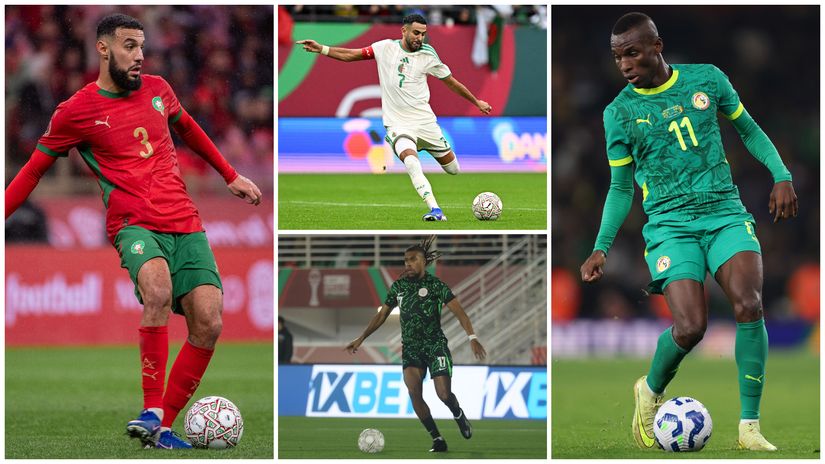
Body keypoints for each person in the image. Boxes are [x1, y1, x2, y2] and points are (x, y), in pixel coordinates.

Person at [5, 14, 263, 449]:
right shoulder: (77, 111)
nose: (139, 55)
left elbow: (190, 130)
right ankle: (151, 409)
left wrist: (229, 174)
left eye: (141, 46)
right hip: (134, 222)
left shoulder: (160, 90)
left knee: (210, 322)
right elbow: (32, 172)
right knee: (158, 292)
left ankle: (161, 429)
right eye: (129, 46)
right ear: (103, 49)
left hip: (184, 219)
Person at [579, 12, 797, 452]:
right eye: (618, 56)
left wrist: (781, 174)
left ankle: (749, 427)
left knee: (749, 305)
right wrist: (600, 247)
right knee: (691, 326)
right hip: (669, 227)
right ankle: (650, 389)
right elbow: (621, 188)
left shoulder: (707, 80)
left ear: (657, 47)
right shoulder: (619, 114)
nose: (624, 64)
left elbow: (748, 130)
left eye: (633, 53)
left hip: (723, 213)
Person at [297, 14, 492, 221]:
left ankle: (427, 149)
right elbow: (351, 54)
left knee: (453, 169)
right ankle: (435, 209)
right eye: (416, 33)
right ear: (404, 31)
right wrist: (323, 49)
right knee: (411, 161)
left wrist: (476, 102)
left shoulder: (428, 55)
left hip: (425, 123)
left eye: (424, 34)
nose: (420, 38)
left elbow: (451, 82)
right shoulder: (384, 48)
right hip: (398, 125)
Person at [346, 236, 487, 452]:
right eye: (405, 260)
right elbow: (382, 315)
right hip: (411, 349)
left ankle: (457, 413)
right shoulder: (399, 287)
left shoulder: (437, 286)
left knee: (444, 395)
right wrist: (362, 337)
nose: (408, 264)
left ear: (423, 262)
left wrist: (472, 338)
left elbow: (461, 313)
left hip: (435, 346)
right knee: (414, 392)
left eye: (412, 259)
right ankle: (437, 439)